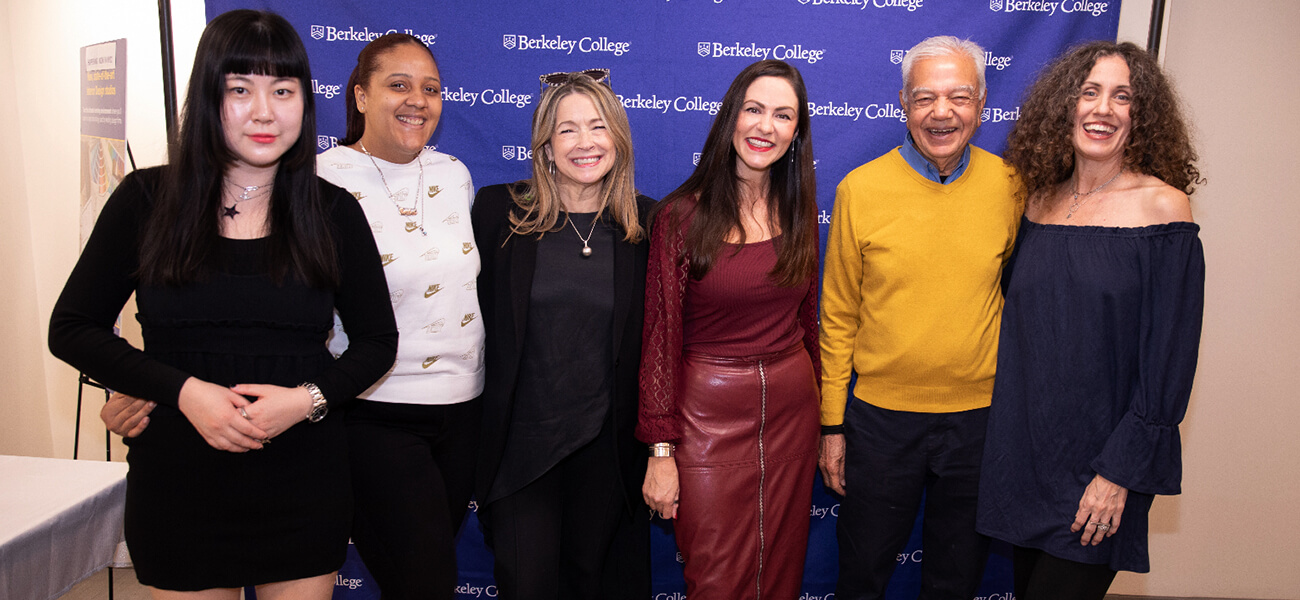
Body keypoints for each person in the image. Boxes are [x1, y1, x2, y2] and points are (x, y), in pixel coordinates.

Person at [47, 9, 397, 599]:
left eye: (282, 90)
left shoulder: (332, 210)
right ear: (209, 97)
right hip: (179, 485)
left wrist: (305, 401)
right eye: (241, 89)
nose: (264, 111)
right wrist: (182, 391)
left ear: (303, 104)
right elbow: (73, 328)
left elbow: (376, 342)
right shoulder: (146, 200)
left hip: (302, 480)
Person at [976, 41, 1204, 600]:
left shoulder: (1163, 209)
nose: (1102, 109)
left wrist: (1119, 474)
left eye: (1121, 97)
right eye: (1089, 92)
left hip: (1100, 473)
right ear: (1065, 107)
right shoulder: (1037, 203)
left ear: (1140, 116)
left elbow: (1168, 362)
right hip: (1026, 459)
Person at [818, 36, 1021, 600]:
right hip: (880, 423)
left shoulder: (1012, 188)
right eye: (925, 97)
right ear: (903, 103)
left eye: (959, 96)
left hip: (979, 424)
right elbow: (837, 318)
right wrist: (832, 425)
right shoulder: (860, 189)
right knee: (862, 579)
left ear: (981, 105)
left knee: (955, 583)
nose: (942, 111)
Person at [639, 59, 821, 600]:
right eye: (755, 109)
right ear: (731, 118)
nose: (766, 126)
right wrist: (661, 451)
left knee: (780, 574)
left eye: (783, 115)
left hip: (792, 413)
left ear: (796, 134)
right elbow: (660, 341)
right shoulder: (680, 216)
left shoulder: (802, 209)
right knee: (716, 579)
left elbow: (808, 323)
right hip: (706, 421)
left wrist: (828, 420)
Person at [472, 70, 653, 600]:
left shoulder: (647, 224)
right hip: (520, 451)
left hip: (606, 455)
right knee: (525, 583)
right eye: (567, 129)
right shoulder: (497, 212)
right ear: (545, 146)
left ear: (617, 140)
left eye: (597, 127)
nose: (584, 142)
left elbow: (663, 346)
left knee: (591, 584)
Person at [316, 33, 484, 600]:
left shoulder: (455, 174)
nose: (418, 100)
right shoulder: (319, 182)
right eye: (399, 85)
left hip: (464, 412)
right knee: (426, 583)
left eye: (431, 89)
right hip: (375, 413)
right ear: (360, 96)